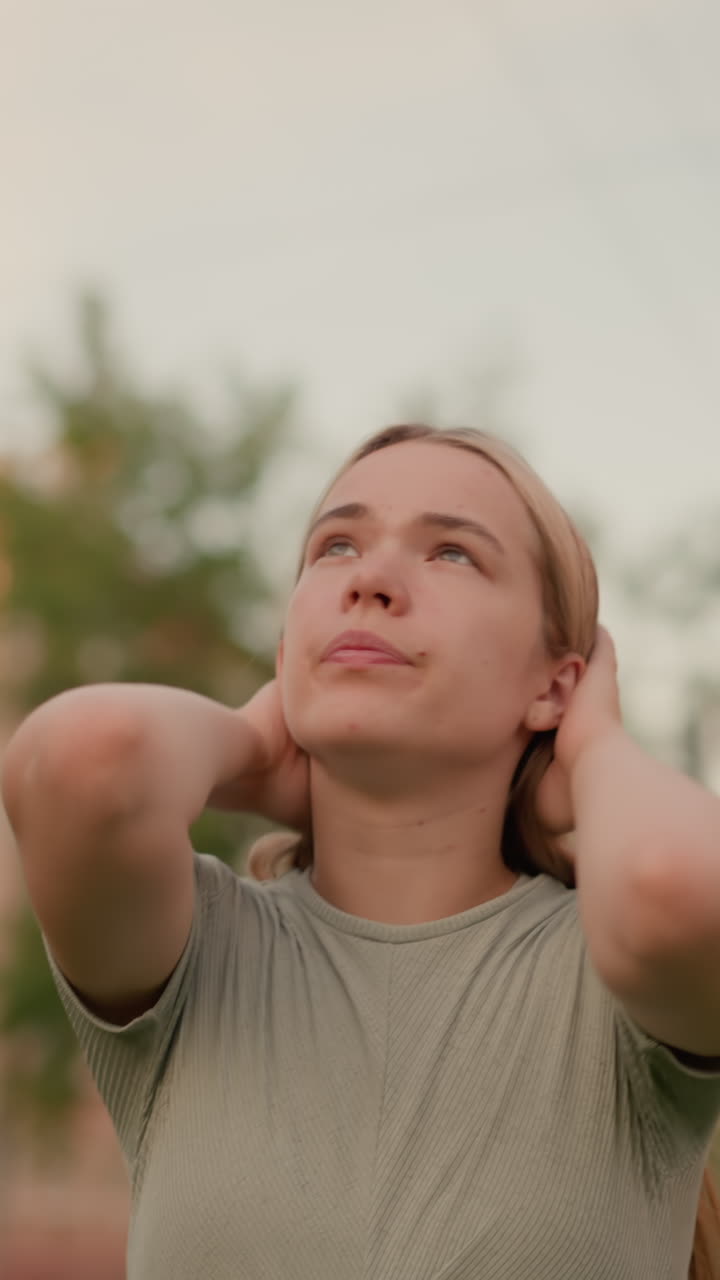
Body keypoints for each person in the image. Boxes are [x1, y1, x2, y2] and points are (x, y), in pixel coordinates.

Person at [2, 422, 720, 1279]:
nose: (371, 581)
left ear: (554, 684)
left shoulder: (614, 978)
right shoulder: (201, 957)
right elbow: (81, 763)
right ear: (285, 657)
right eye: (336, 545)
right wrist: (254, 743)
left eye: (453, 554)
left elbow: (675, 884)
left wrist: (595, 747)